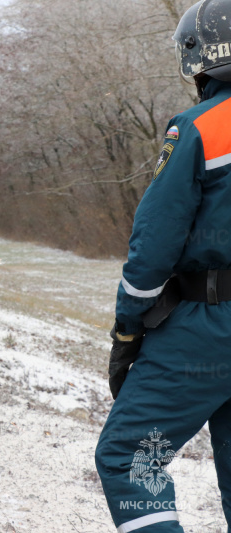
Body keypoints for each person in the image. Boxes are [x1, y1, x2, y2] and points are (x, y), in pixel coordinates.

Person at [95, 1, 231, 531]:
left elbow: (153, 246)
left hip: (207, 326)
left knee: (130, 458)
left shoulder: (199, 129)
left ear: (198, 57)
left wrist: (128, 328)